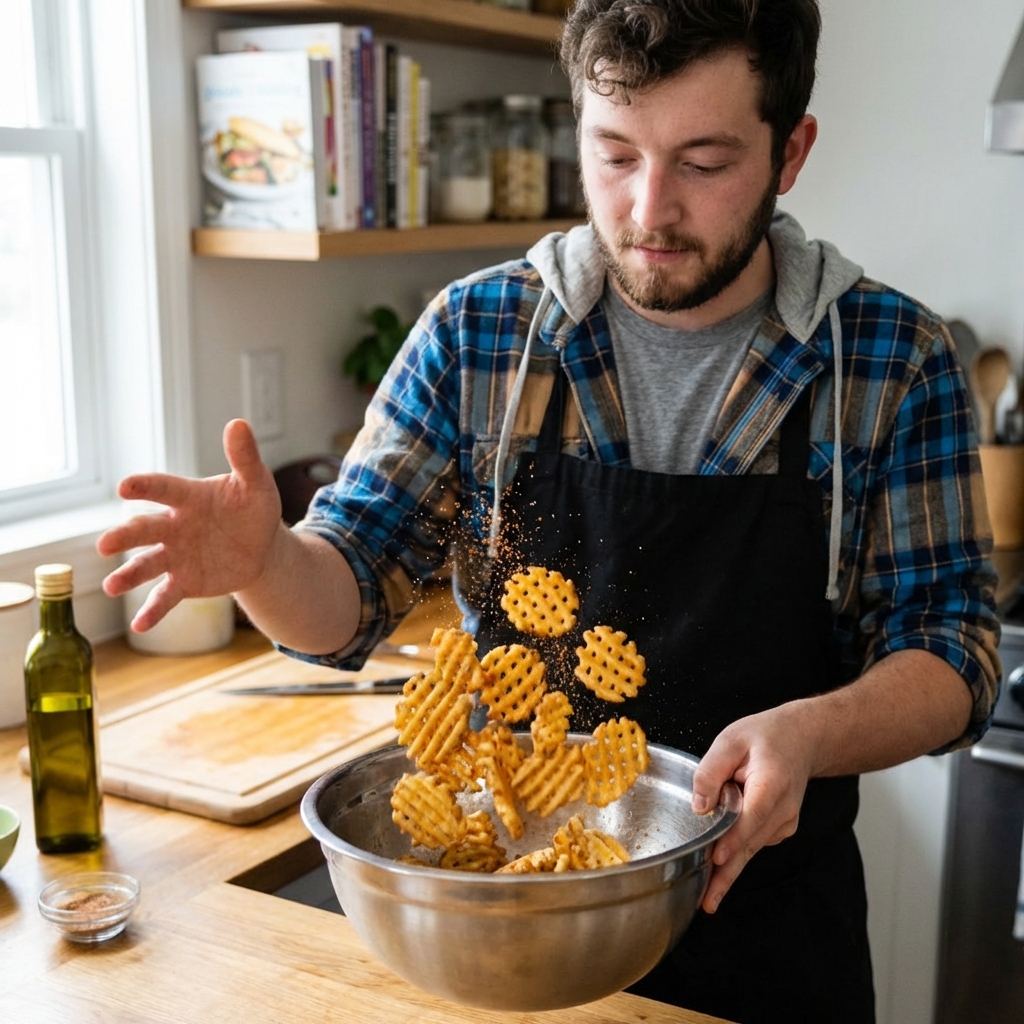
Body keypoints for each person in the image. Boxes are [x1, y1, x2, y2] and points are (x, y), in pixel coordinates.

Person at [99, 1, 1000, 1020]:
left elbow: (954, 648)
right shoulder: (479, 335)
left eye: (703, 162)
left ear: (790, 150)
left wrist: (811, 730)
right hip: (509, 930)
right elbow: (347, 594)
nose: (647, 209)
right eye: (613, 154)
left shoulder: (889, 361)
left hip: (769, 936)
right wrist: (266, 562)